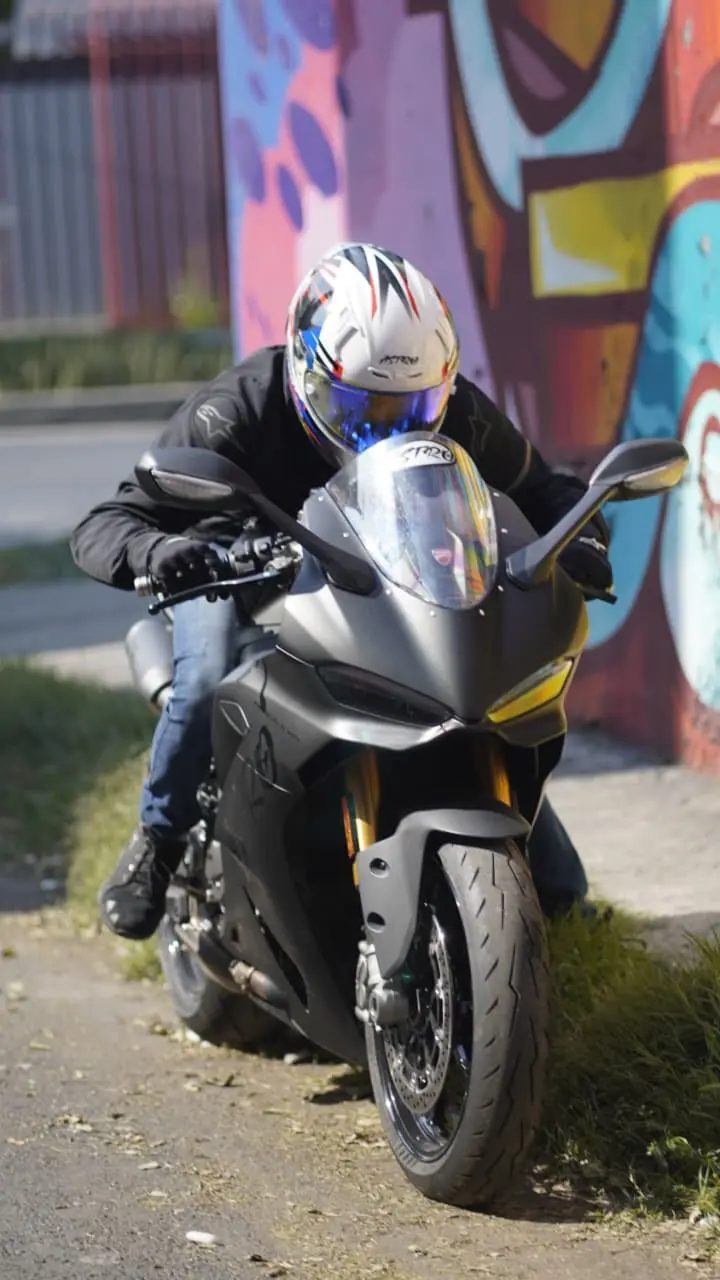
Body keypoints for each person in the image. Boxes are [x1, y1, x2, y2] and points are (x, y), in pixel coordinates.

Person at [70, 243, 611, 942]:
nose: (385, 429)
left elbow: (546, 489)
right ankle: (159, 840)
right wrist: (165, 553)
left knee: (473, 697)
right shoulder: (236, 407)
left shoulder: (457, 411)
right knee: (204, 680)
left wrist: (585, 538)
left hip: (382, 562)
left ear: (441, 384)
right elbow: (106, 522)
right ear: (306, 371)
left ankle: (545, 879)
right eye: (360, 408)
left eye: (411, 408)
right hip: (234, 561)